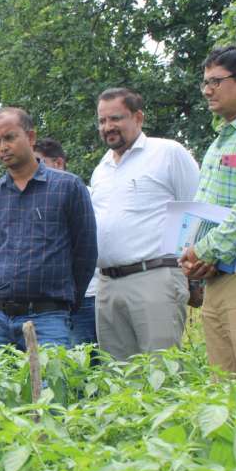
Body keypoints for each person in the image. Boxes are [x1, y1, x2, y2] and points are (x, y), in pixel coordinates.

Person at [180, 46, 236, 380]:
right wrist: (196, 258)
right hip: (216, 278)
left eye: (216, 81)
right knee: (224, 390)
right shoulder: (219, 142)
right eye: (205, 82)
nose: (207, 90)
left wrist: (204, 250)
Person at [91, 88, 199, 360]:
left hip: (154, 277)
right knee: (117, 376)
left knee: (161, 371)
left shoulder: (167, 152)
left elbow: (195, 208)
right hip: (108, 284)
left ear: (138, 117)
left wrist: (195, 277)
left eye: (116, 118)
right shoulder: (101, 169)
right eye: (102, 121)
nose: (108, 127)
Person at [0, 107, 97, 354]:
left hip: (49, 317)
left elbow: (85, 252)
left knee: (51, 380)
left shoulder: (68, 187)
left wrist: (67, 303)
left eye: (9, 138)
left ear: (31, 137)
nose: (3, 147)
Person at [34, 138, 98, 346]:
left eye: (38, 161)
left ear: (58, 163)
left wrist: (74, 293)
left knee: (92, 360)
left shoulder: (85, 194)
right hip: (57, 302)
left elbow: (86, 249)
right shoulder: (35, 199)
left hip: (88, 295)